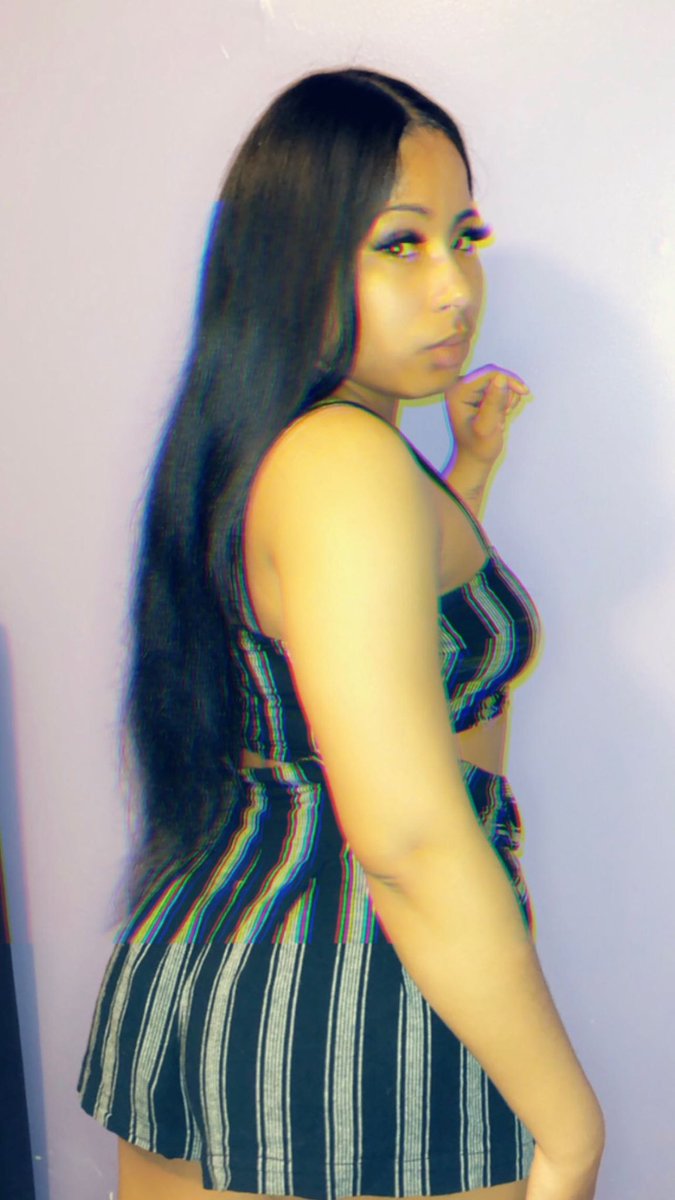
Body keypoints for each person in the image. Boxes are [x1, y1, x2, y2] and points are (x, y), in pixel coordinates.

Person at [78, 68, 605, 1200]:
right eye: (400, 245)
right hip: (349, 999)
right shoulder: (342, 464)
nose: (456, 287)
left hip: (240, 947)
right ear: (296, 257)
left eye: (465, 238)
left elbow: (360, 657)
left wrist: (463, 479)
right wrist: (570, 1132)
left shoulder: (284, 443)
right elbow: (408, 839)